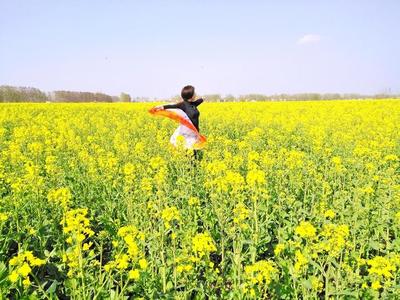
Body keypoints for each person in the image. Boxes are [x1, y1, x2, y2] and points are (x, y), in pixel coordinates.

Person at [154, 85, 204, 161]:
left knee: (194, 154)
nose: (196, 94)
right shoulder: (183, 105)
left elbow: (199, 101)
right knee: (189, 154)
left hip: (195, 133)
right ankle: (187, 169)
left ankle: (192, 169)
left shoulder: (193, 104)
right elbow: (172, 106)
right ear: (190, 95)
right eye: (194, 93)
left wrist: (203, 99)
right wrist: (161, 107)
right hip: (187, 134)